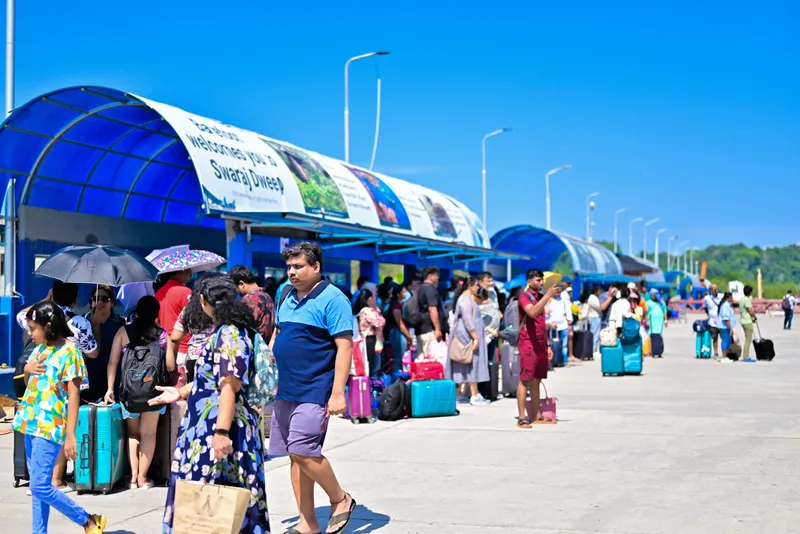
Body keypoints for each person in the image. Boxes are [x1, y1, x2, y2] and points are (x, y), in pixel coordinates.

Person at [149, 276, 269, 533]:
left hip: (218, 429)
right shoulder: (231, 331)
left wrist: (221, 433)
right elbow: (214, 382)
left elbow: (229, 386)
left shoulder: (229, 334)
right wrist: (180, 392)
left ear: (203, 301)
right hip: (216, 427)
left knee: (212, 503)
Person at [269, 242, 357, 534]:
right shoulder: (285, 293)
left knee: (303, 450)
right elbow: (279, 335)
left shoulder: (334, 299)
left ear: (316, 267)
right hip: (286, 388)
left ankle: (340, 499)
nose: (292, 272)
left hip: (315, 388)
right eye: (289, 267)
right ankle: (308, 523)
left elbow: (344, 348)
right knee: (295, 456)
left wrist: (336, 393)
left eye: (299, 266)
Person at [14, 301, 107, 534]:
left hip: (50, 425)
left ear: (48, 326)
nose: (29, 333)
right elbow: (30, 385)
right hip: (29, 421)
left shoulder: (70, 352)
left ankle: (86, 520)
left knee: (40, 485)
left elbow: (74, 396)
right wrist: (26, 370)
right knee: (38, 487)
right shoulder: (40, 348)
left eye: (33, 328)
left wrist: (70, 435)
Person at [16, 281, 99, 491]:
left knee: (49, 431)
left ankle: (42, 479)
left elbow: (22, 316)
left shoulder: (40, 324)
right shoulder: (80, 322)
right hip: (68, 380)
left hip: (41, 382)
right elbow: (93, 352)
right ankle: (55, 478)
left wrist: (46, 300)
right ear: (75, 298)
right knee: (60, 428)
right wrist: (95, 324)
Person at [104, 296, 168, 490]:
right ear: (156, 313)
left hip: (129, 392)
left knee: (133, 433)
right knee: (149, 433)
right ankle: (143, 478)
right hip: (153, 392)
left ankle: (132, 477)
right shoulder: (162, 334)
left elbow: (113, 362)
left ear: (136, 312)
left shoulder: (124, 331)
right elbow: (171, 365)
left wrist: (109, 388)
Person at [516, 269, 557, 428]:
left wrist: (547, 345)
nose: (541, 283)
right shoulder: (525, 296)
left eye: (542, 280)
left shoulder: (540, 297)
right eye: (538, 280)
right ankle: (522, 417)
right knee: (525, 379)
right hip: (528, 342)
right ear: (529, 281)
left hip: (540, 343)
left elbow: (541, 324)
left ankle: (536, 414)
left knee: (536, 380)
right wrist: (548, 295)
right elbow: (532, 312)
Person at [446, 277, 491, 406]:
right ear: (470, 285)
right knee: (471, 363)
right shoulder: (465, 300)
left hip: (466, 334)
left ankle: (460, 394)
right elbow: (467, 320)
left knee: (465, 365)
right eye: (477, 285)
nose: (478, 288)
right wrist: (475, 337)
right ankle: (474, 395)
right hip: (467, 335)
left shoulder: (464, 299)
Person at [82, 285, 122, 403]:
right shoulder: (83, 324)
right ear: (90, 303)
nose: (99, 302)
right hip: (90, 381)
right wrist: (95, 324)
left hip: (112, 382)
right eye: (95, 299)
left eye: (104, 299)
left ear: (112, 303)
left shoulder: (120, 325)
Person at [154, 269, 193, 371]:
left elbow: (156, 321)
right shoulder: (186, 292)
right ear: (179, 272)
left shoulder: (159, 293)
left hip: (165, 348)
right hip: (184, 347)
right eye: (188, 269)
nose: (191, 272)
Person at [230, 264, 276, 343]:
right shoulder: (266, 296)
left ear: (241, 284)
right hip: (266, 348)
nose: (235, 292)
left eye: (235, 288)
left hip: (254, 348)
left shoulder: (249, 300)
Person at [416, 266, 448, 357]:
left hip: (423, 329)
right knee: (429, 358)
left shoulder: (421, 288)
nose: (437, 278)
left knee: (423, 356)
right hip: (430, 329)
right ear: (431, 276)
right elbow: (432, 309)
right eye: (436, 275)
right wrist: (437, 329)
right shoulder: (429, 289)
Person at [354, 288, 385, 376]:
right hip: (370, 339)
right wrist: (379, 315)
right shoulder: (368, 311)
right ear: (369, 299)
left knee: (365, 363)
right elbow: (378, 323)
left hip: (362, 339)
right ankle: (370, 384)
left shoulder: (359, 311)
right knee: (371, 364)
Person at [383, 284, 414, 372]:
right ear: (398, 294)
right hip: (397, 334)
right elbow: (400, 323)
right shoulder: (395, 306)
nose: (405, 294)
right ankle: (397, 377)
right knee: (398, 357)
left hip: (399, 333)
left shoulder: (400, 304)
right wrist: (408, 336)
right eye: (403, 292)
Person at [545, 284, 571, 367]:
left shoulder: (563, 300)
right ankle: (554, 361)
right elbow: (546, 314)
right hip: (553, 327)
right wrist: (549, 323)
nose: (558, 293)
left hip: (563, 325)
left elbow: (568, 309)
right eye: (556, 292)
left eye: (559, 292)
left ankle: (563, 361)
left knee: (564, 345)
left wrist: (569, 320)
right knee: (554, 344)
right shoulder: (549, 301)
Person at [478, 272, 501, 362]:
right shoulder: (477, 297)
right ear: (480, 282)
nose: (491, 283)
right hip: (483, 335)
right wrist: (487, 329)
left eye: (492, 280)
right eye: (488, 281)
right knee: (482, 362)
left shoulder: (493, 293)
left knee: (490, 362)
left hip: (493, 334)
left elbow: (495, 308)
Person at [586, 285, 612, 357]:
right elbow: (600, 307)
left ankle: (596, 350)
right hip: (594, 317)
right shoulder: (593, 298)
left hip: (596, 317)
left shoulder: (594, 298)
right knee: (595, 334)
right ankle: (594, 350)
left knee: (596, 334)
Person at [703, 284, 724, 358]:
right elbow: (705, 307)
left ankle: (724, 353)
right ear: (711, 290)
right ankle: (715, 353)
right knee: (715, 338)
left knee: (724, 338)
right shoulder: (707, 298)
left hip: (722, 321)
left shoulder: (722, 296)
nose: (716, 291)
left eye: (717, 289)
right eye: (714, 289)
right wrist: (708, 315)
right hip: (712, 322)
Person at [740, 285, 757, 362]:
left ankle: (745, 355)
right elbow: (750, 310)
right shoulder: (747, 300)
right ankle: (746, 356)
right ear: (750, 292)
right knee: (748, 339)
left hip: (743, 320)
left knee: (747, 338)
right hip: (747, 321)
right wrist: (754, 317)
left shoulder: (742, 299)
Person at [717, 292, 736, 361]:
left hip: (726, 327)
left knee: (728, 341)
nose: (732, 299)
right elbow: (726, 319)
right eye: (731, 298)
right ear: (728, 298)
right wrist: (731, 328)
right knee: (725, 341)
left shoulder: (728, 305)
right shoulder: (725, 306)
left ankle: (726, 356)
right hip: (725, 327)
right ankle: (724, 357)